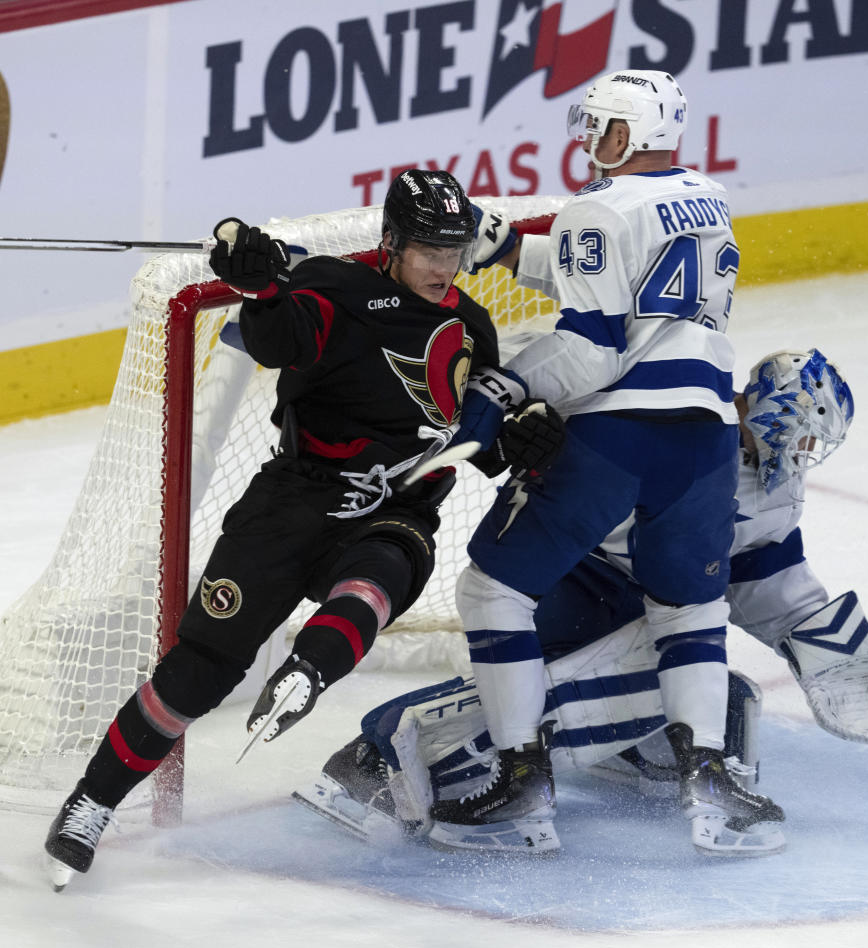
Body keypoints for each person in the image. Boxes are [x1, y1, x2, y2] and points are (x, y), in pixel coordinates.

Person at [42, 169, 548, 891]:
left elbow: (482, 440)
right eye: (430, 248)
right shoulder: (332, 287)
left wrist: (524, 440)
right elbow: (281, 339)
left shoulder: (470, 325)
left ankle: (310, 668)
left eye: (456, 248)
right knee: (200, 666)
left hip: (395, 510)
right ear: (394, 241)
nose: (445, 265)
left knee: (377, 577)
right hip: (294, 500)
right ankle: (91, 800)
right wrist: (262, 285)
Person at [296, 349, 868, 855]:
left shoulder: (775, 487)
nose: (803, 455)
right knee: (637, 680)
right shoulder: (681, 422)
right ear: (767, 409)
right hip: (569, 584)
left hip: (641, 600)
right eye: (800, 435)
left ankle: (631, 749)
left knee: (723, 700)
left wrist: (839, 643)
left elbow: (764, 574)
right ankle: (383, 755)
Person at [407, 70, 783, 852]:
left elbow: (590, 353)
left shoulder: (596, 208)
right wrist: (510, 247)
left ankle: (522, 785)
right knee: (689, 610)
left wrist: (507, 382)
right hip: (707, 438)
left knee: (493, 589)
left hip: (621, 434)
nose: (590, 138)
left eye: (603, 125)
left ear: (632, 133)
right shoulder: (709, 199)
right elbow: (629, 275)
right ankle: (712, 782)